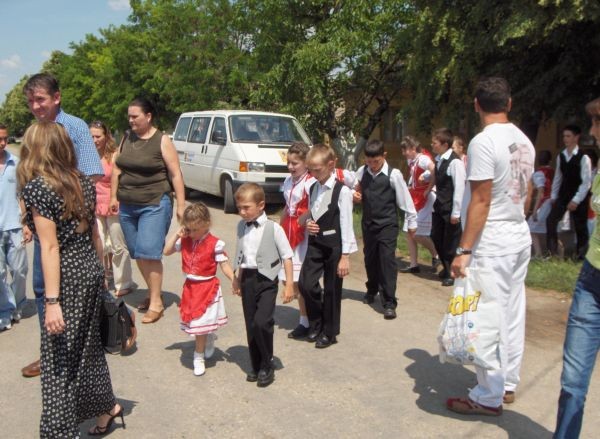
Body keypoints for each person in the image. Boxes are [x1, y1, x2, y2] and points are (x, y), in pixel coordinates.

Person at [18, 121, 123, 437]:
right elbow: (94, 235)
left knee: (58, 359)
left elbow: (50, 247)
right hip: (88, 270)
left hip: (65, 277)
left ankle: (58, 431)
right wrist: (101, 276)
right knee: (87, 349)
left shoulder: (39, 188)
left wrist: (52, 301)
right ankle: (106, 409)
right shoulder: (82, 181)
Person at [448, 77, 535, 416]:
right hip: (518, 234)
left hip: (493, 240)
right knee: (512, 313)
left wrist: (464, 250)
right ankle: (507, 383)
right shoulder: (523, 140)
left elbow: (481, 200)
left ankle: (487, 395)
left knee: (486, 316)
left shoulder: (483, 142)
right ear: (509, 103)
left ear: (476, 105)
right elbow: (526, 191)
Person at [21, 72, 103, 378]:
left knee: (71, 291)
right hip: (42, 223)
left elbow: (92, 175)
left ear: (57, 97)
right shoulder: (34, 130)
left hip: (70, 228)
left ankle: (73, 353)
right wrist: (28, 217)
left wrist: (60, 202)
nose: (35, 106)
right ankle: (51, 352)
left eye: (40, 99)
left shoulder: (75, 127)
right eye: (31, 101)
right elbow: (28, 179)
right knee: (42, 287)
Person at [110, 97, 186, 324]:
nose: (131, 120)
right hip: (127, 205)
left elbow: (176, 174)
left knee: (149, 252)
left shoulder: (162, 140)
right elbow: (117, 169)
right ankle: (155, 292)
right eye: (129, 116)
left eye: (135, 116)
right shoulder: (127, 137)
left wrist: (181, 205)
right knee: (137, 252)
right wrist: (113, 196)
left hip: (154, 203)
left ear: (148, 116)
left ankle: (155, 303)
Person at [554, 96, 600, 438]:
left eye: (598, 123)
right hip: (591, 280)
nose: (592, 132)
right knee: (572, 380)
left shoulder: (585, 161)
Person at [231, 183, 294, 387]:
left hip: (267, 280)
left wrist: (289, 285)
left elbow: (287, 256)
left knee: (262, 322)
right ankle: (256, 364)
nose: (242, 212)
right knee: (251, 324)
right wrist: (238, 279)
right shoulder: (241, 226)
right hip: (248, 279)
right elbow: (242, 255)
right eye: (239, 208)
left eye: (246, 207)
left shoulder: (274, 228)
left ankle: (268, 364)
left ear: (261, 205)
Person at [164, 203, 234, 376]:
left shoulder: (215, 244)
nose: (192, 233)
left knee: (200, 324)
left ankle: (198, 356)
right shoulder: (185, 239)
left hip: (207, 288)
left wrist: (234, 279)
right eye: (189, 229)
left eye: (195, 229)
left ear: (206, 224)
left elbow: (224, 265)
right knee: (198, 324)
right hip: (191, 288)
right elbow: (166, 251)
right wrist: (177, 235)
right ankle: (207, 338)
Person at [299, 144, 357, 344]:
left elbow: (347, 224)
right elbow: (313, 211)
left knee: (332, 290)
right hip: (315, 242)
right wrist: (309, 223)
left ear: (331, 165)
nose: (313, 174)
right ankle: (316, 323)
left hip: (334, 246)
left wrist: (345, 256)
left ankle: (329, 332)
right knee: (306, 284)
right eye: (310, 170)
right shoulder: (313, 186)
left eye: (317, 169)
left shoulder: (342, 191)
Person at [353, 139, 415, 319]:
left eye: (376, 161)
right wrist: (355, 195)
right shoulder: (362, 171)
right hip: (368, 223)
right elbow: (354, 188)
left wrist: (412, 221)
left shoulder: (394, 175)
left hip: (387, 224)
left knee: (387, 261)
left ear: (384, 156)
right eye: (369, 161)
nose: (372, 165)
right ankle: (372, 289)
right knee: (370, 259)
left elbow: (405, 200)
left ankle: (389, 302)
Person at [89, 120, 134, 297]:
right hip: (93, 205)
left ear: (106, 136)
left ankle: (123, 282)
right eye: (91, 136)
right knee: (97, 243)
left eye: (98, 136)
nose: (94, 140)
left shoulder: (115, 156)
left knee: (118, 245)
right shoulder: (86, 156)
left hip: (113, 204)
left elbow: (122, 179)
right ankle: (101, 279)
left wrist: (116, 199)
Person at [280, 142, 312, 339]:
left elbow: (317, 205)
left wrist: (305, 217)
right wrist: (279, 227)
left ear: (306, 163)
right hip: (288, 230)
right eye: (289, 163)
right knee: (288, 277)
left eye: (295, 163)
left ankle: (305, 321)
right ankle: (307, 317)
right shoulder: (288, 180)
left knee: (300, 281)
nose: (291, 167)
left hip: (304, 233)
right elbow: (287, 206)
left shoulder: (310, 182)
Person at [546, 125, 592, 259]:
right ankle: (552, 253)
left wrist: (576, 200)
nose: (565, 139)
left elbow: (586, 182)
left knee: (580, 226)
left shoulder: (584, 158)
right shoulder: (561, 156)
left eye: (568, 136)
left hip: (579, 196)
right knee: (551, 220)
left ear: (576, 137)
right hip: (563, 194)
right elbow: (558, 177)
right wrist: (553, 196)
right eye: (564, 136)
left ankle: (581, 256)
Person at [0, 123, 28, 331]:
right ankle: (5, 310)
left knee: (19, 271)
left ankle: (17, 304)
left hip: (15, 226)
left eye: (5, 139)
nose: (3, 143)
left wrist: (26, 223)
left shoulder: (16, 163)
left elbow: (23, 195)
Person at [431, 127, 466, 287]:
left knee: (451, 241)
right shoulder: (439, 160)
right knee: (436, 236)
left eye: (435, 143)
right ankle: (446, 267)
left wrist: (456, 212)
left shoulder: (455, 162)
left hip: (450, 207)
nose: (432, 145)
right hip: (440, 206)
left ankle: (451, 272)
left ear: (445, 144)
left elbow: (459, 188)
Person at [399, 135, 440, 274]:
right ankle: (413, 264)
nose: (404, 153)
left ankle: (436, 255)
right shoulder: (412, 160)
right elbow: (415, 177)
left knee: (416, 232)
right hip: (416, 196)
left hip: (425, 198)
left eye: (405, 150)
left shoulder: (422, 159)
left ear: (413, 148)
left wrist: (429, 187)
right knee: (409, 231)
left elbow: (434, 169)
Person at [526, 150, 554, 257]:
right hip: (552, 201)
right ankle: (554, 252)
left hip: (544, 203)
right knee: (550, 228)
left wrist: (534, 210)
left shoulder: (539, 173)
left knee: (530, 227)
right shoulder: (552, 171)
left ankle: (538, 252)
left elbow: (541, 191)